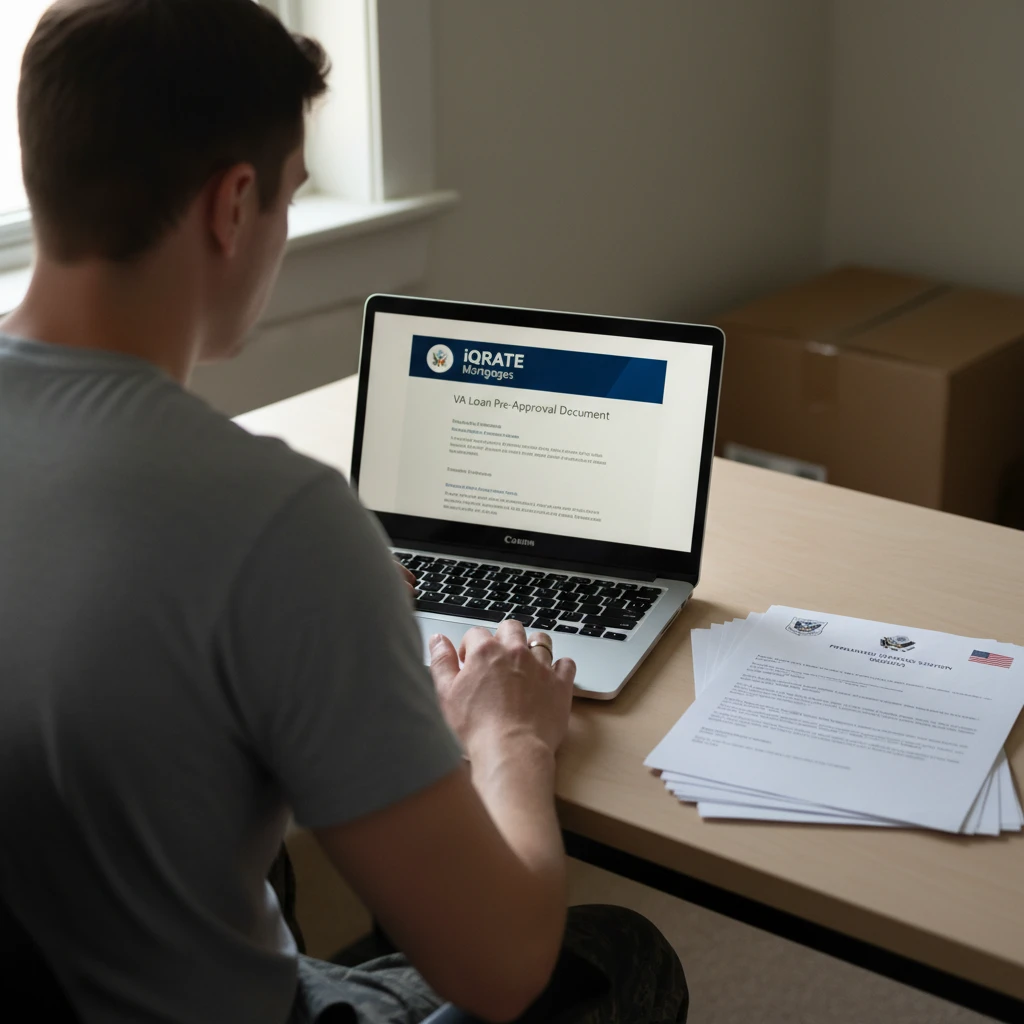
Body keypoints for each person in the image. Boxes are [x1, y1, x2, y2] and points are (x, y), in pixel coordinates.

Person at [0, 2, 689, 1023]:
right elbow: (502, 973)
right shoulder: (279, 523)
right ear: (234, 205)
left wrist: (335, 620)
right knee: (621, 956)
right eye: (289, 199)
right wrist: (511, 739)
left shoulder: (266, 539)